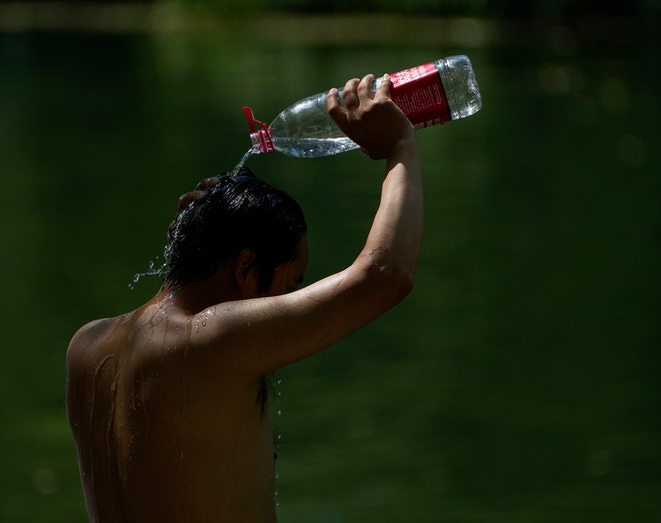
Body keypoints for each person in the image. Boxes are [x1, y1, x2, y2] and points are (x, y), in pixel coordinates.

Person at [66, 73, 423, 522]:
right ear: (246, 268)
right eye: (290, 285)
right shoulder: (208, 340)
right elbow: (386, 274)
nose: (289, 301)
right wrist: (402, 146)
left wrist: (203, 228)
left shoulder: (85, 348)